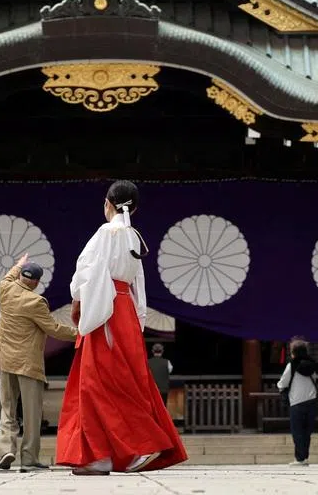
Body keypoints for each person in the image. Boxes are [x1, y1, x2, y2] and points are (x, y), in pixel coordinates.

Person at [56, 180, 188, 476]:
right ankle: (107, 454)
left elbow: (86, 271)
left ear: (107, 203)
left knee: (96, 382)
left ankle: (135, 446)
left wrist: (80, 301)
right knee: (124, 378)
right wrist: (138, 316)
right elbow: (138, 281)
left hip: (106, 309)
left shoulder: (107, 232)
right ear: (135, 207)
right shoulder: (133, 235)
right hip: (125, 308)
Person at [0, 255, 77, 473]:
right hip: (27, 363)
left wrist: (19, 263)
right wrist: (80, 334)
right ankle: (29, 458)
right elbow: (53, 329)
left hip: (4, 359)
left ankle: (6, 448)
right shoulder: (36, 302)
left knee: (7, 408)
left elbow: (9, 276)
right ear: (35, 282)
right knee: (31, 413)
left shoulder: (4, 288)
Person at [277, 339, 318, 466]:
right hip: (312, 400)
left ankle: (300, 458)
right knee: (307, 431)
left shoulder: (292, 365)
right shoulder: (312, 365)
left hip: (297, 401)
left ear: (294, 352)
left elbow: (283, 383)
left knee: (297, 431)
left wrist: (281, 389)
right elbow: (314, 380)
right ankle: (304, 456)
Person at [147, 343, 173, 408]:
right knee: (162, 408)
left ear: (152, 351)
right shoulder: (167, 362)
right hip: (163, 390)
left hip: (151, 390)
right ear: (162, 351)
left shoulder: (147, 362)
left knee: (152, 408)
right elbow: (169, 371)